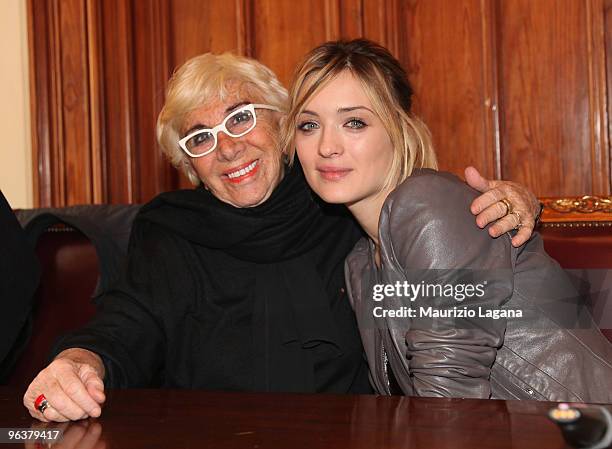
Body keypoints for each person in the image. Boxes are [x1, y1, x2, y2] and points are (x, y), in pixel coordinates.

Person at [24, 52, 541, 422]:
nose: (227, 148)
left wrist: (516, 202)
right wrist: (78, 361)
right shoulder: (167, 230)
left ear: (285, 126)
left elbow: (427, 210)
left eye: (242, 117)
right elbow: (127, 323)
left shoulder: (340, 202)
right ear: (189, 164)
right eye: (201, 137)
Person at [285, 38, 612, 402]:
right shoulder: (361, 263)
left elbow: (450, 401)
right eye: (309, 125)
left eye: (355, 122)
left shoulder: (427, 205)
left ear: (400, 129)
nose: (327, 146)